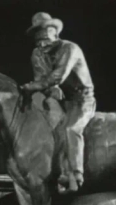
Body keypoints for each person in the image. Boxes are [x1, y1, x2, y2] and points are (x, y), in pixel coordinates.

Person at [22, 12, 96, 190]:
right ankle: (54, 172)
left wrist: (33, 86)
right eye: (37, 38)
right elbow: (42, 78)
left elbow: (57, 76)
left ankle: (76, 174)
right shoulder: (37, 54)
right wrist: (49, 89)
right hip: (59, 98)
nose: (41, 42)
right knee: (46, 127)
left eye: (45, 36)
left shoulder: (70, 49)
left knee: (72, 128)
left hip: (82, 99)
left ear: (55, 33)